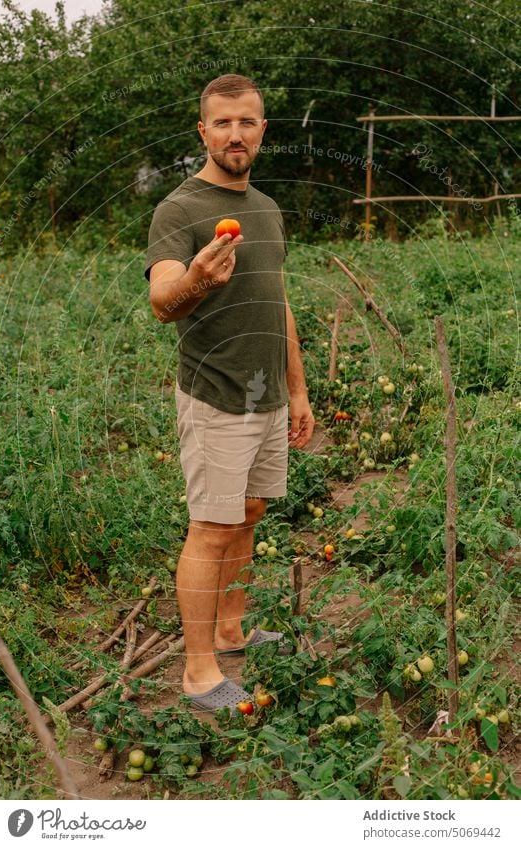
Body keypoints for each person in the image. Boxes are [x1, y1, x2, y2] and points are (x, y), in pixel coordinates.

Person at [144, 74, 315, 711]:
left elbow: (280, 304)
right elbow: (163, 301)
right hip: (218, 396)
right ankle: (197, 675)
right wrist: (193, 280)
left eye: (247, 122)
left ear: (262, 131)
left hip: (269, 395)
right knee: (211, 529)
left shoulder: (266, 209)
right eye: (222, 123)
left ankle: (231, 630)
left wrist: (297, 391)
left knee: (248, 517)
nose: (235, 134)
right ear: (203, 132)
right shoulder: (181, 211)